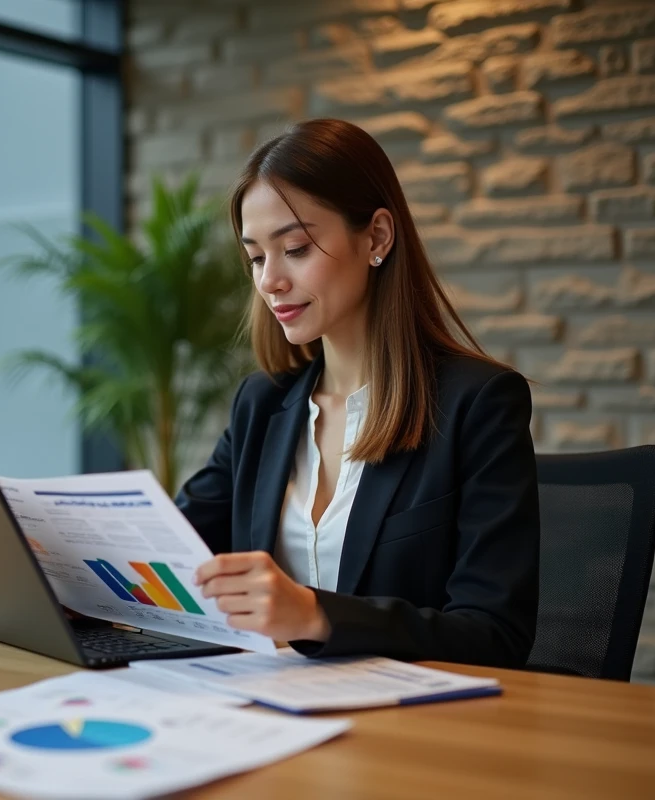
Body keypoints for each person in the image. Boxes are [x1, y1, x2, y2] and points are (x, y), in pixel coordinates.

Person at [179, 119, 539, 668]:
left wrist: (314, 614)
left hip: (416, 729)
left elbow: (494, 635)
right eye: (256, 257)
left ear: (376, 237)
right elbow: (170, 546)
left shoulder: (477, 404)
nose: (269, 280)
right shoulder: (261, 406)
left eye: (295, 248)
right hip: (275, 710)